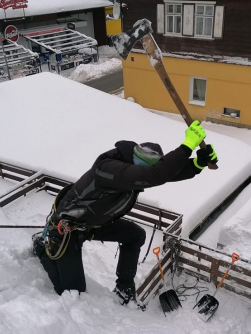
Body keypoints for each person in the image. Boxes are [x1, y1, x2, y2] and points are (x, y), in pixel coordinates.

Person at [33, 121, 218, 306]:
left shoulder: (132, 170)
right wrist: (187, 146)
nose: (148, 173)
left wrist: (197, 164)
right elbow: (154, 175)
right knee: (73, 292)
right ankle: (41, 246)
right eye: (148, 169)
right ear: (138, 162)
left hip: (92, 225)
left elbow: (164, 173)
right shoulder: (108, 168)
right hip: (66, 229)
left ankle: (124, 288)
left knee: (135, 235)